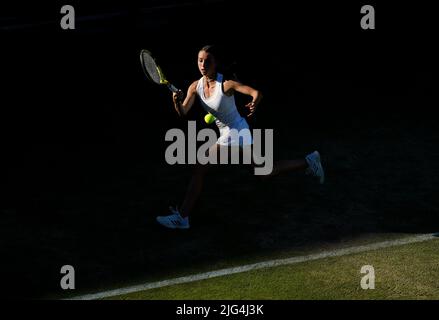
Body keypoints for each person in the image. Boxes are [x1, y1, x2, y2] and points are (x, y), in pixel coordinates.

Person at [156, 45, 324, 229]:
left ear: (215, 62)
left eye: (207, 60)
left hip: (236, 132)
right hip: (230, 134)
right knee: (263, 172)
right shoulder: (195, 87)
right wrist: (176, 101)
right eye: (200, 60)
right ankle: (309, 161)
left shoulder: (226, 84)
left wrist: (255, 102)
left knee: (199, 165)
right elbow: (183, 112)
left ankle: (183, 216)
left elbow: (256, 93)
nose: (203, 64)